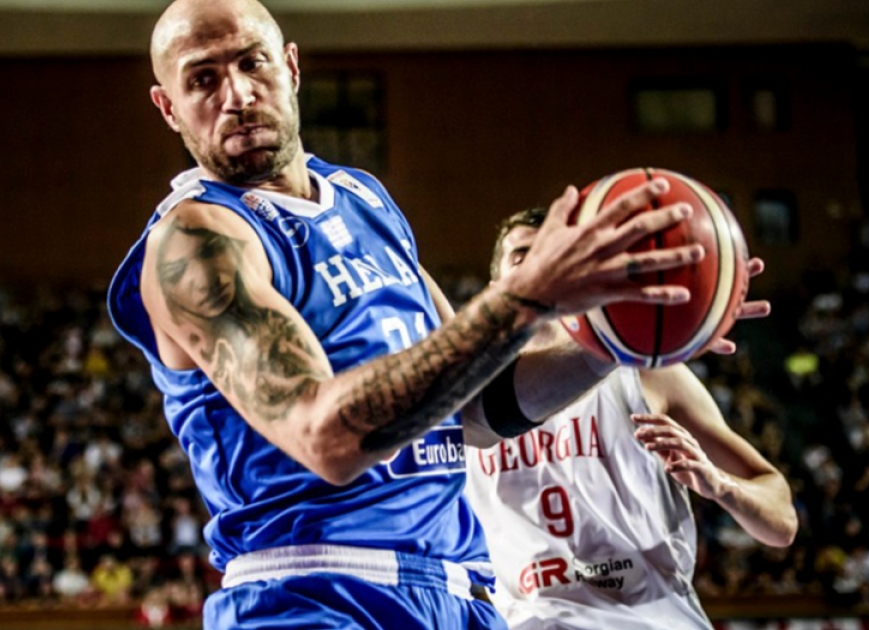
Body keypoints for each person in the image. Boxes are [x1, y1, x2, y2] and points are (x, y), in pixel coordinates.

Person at [108, 0, 758, 627]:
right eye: (203, 79)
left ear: (292, 67)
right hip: (311, 594)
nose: (238, 94)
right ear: (168, 107)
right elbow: (326, 437)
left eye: (253, 62)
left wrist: (613, 339)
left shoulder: (363, 198)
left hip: (457, 589)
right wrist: (528, 296)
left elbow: (474, 404)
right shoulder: (195, 241)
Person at [464, 207, 798, 630]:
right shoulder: (461, 397)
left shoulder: (646, 371)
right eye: (522, 256)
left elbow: (781, 522)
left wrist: (719, 485)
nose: (541, 265)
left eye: (554, 254)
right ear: (496, 289)